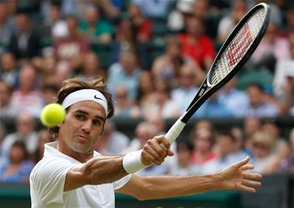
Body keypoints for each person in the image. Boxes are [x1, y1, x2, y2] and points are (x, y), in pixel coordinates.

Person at [30, 77, 262, 208]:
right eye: (80, 116)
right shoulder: (46, 170)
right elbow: (91, 174)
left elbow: (147, 188)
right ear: (60, 119)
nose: (88, 126)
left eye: (97, 121)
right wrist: (141, 157)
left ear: (102, 130)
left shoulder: (102, 165)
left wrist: (217, 180)